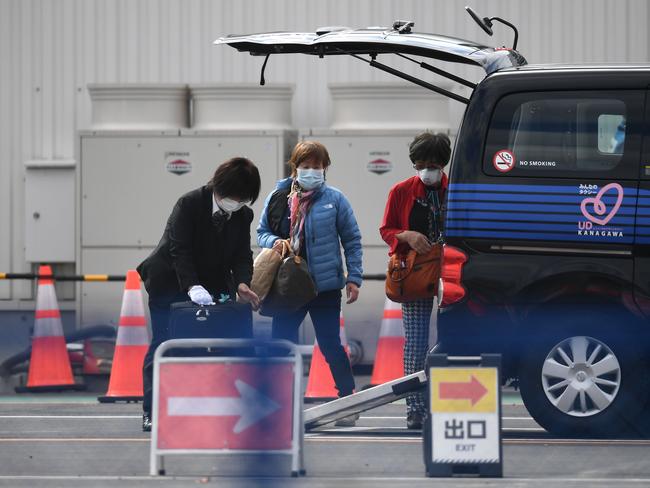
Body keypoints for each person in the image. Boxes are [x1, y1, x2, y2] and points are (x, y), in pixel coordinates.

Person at [137, 157, 261, 432]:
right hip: (169, 280)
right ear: (219, 187)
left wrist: (242, 283)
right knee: (165, 342)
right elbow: (179, 249)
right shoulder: (189, 204)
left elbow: (242, 254)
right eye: (233, 196)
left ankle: (215, 407)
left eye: (243, 199)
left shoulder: (242, 214)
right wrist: (191, 286)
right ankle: (152, 411)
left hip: (214, 281)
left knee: (220, 343)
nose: (237, 202)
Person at [257, 141, 363, 426]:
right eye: (306, 167)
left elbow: (352, 240)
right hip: (287, 285)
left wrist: (354, 277)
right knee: (282, 344)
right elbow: (262, 232)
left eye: (317, 167)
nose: (311, 172)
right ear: (295, 168)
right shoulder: (279, 197)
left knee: (330, 344)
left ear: (325, 168)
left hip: (324, 286)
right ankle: (280, 404)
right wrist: (274, 241)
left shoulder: (336, 199)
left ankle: (347, 402)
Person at [379, 132, 451, 430]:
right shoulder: (401, 191)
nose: (426, 170)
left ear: (443, 163)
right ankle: (415, 408)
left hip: (451, 271)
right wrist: (406, 235)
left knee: (453, 338)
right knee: (416, 341)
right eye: (419, 164)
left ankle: (448, 401)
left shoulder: (457, 189)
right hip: (415, 273)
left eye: (432, 164)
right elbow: (386, 230)